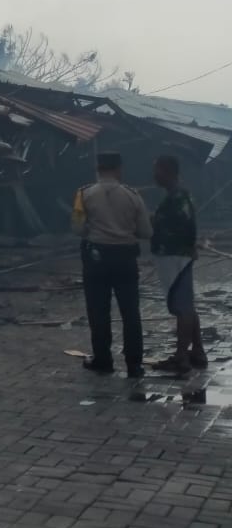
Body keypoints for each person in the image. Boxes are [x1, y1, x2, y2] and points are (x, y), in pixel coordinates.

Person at [71, 152, 152, 379]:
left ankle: (103, 360)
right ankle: (134, 365)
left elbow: (77, 228)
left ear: (98, 168)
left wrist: (96, 231)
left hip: (96, 259)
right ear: (119, 169)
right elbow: (146, 232)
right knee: (130, 313)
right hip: (125, 259)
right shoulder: (133, 196)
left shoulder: (83, 194)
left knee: (98, 311)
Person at [150, 155, 207, 375]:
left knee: (182, 307)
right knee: (187, 305)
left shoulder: (178, 196)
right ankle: (198, 351)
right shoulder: (176, 196)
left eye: (157, 170)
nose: (154, 175)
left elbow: (186, 226)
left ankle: (181, 357)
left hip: (175, 256)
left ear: (167, 171)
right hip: (177, 255)